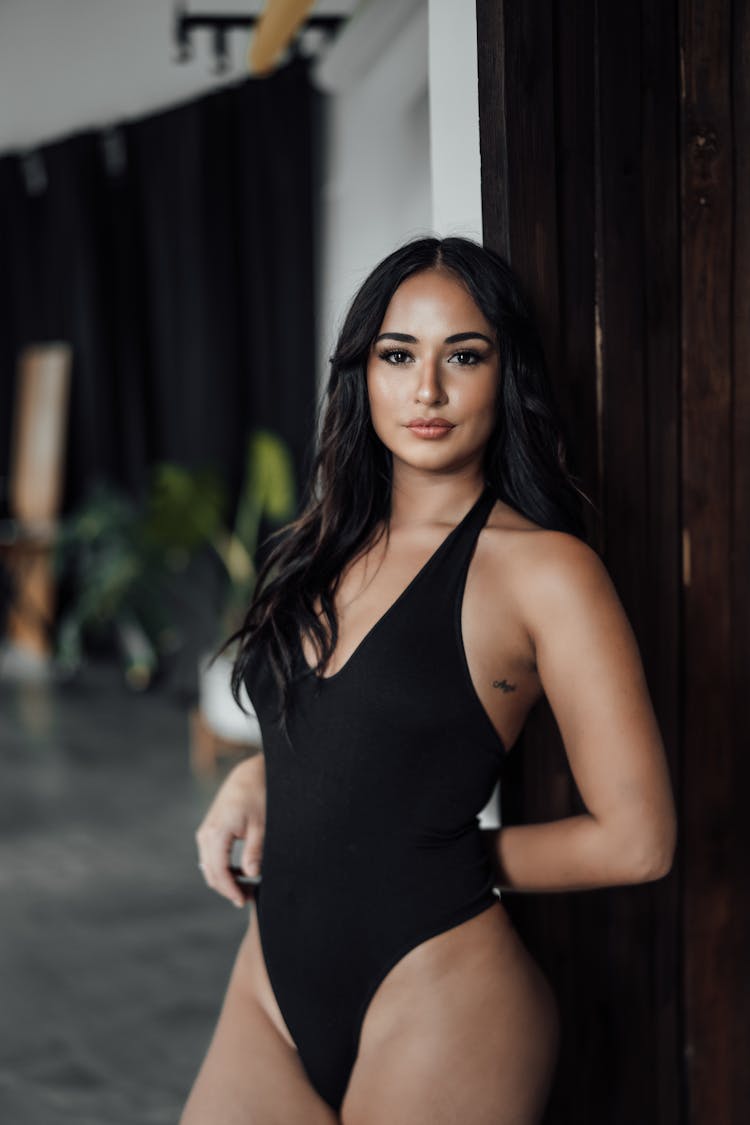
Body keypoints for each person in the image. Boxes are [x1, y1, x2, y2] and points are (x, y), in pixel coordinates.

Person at [180, 236, 677, 1124]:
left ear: (505, 372)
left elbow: (638, 840)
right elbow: (343, 731)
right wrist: (257, 777)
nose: (428, 390)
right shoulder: (320, 546)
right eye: (398, 353)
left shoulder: (545, 571)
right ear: (362, 371)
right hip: (270, 984)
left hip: (440, 992)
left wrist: (424, 853)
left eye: (465, 356)